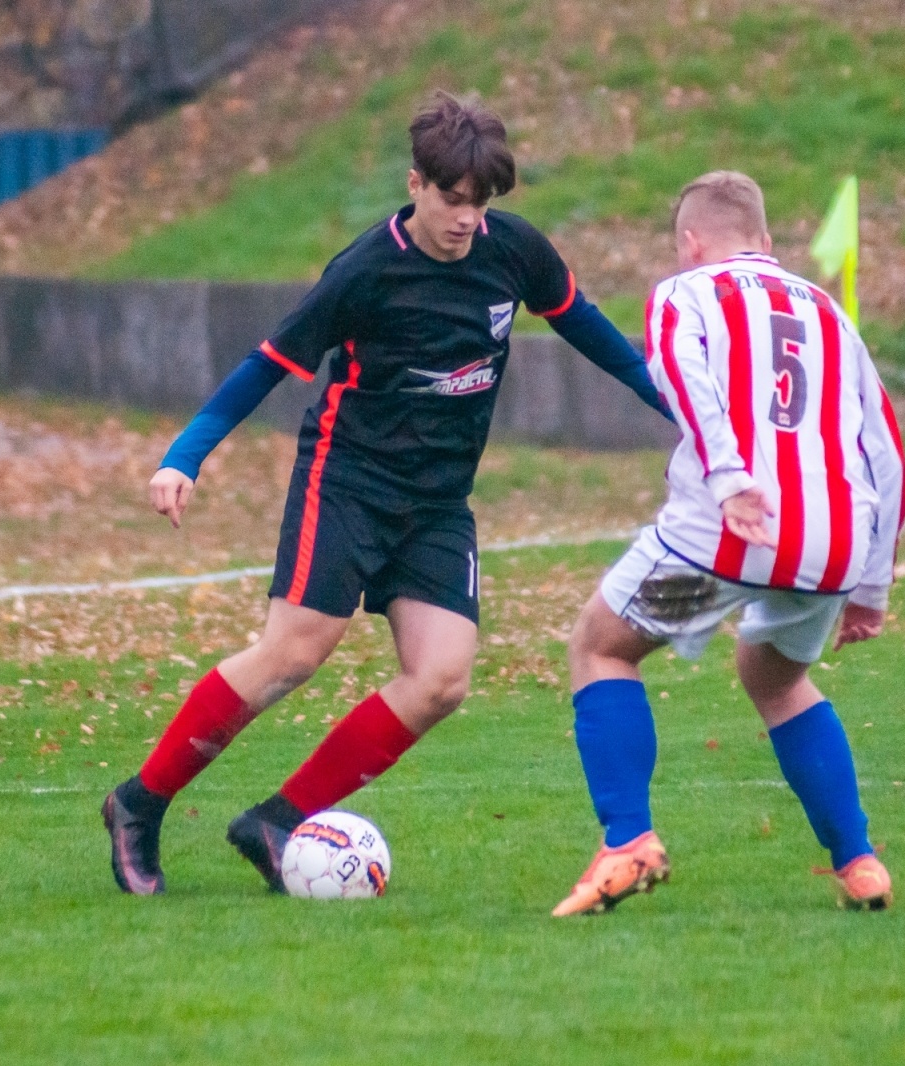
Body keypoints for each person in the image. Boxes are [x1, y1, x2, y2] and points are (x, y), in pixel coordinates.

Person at [102, 91, 672, 895]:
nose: (467, 219)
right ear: (416, 184)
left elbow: (592, 332)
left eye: (480, 204)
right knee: (294, 651)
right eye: (452, 200)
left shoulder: (515, 252)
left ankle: (277, 819)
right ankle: (139, 802)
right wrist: (184, 456)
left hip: (438, 502)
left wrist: (679, 407)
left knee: (441, 678)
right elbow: (266, 364)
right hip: (348, 482)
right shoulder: (366, 271)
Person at [550, 171, 905, 917]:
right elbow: (887, 453)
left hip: (726, 538)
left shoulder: (687, 292)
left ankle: (627, 842)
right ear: (767, 243)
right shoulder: (832, 315)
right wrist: (871, 586)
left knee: (601, 647)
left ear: (691, 243)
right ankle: (860, 861)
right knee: (775, 680)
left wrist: (729, 478)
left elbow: (677, 373)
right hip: (831, 544)